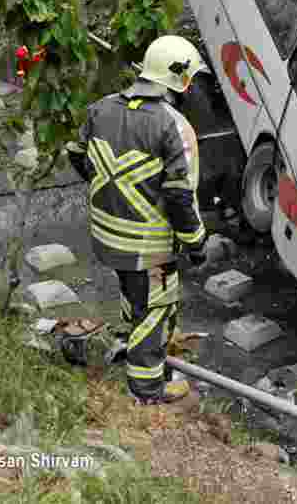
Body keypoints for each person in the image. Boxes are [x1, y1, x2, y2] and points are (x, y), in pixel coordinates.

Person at [65, 36, 212, 406]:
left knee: (136, 297)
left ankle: (137, 354)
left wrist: (113, 199)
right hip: (150, 248)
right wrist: (195, 242)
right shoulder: (172, 125)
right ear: (181, 80)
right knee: (157, 310)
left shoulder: (100, 109)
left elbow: (76, 154)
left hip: (107, 236)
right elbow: (180, 194)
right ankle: (147, 392)